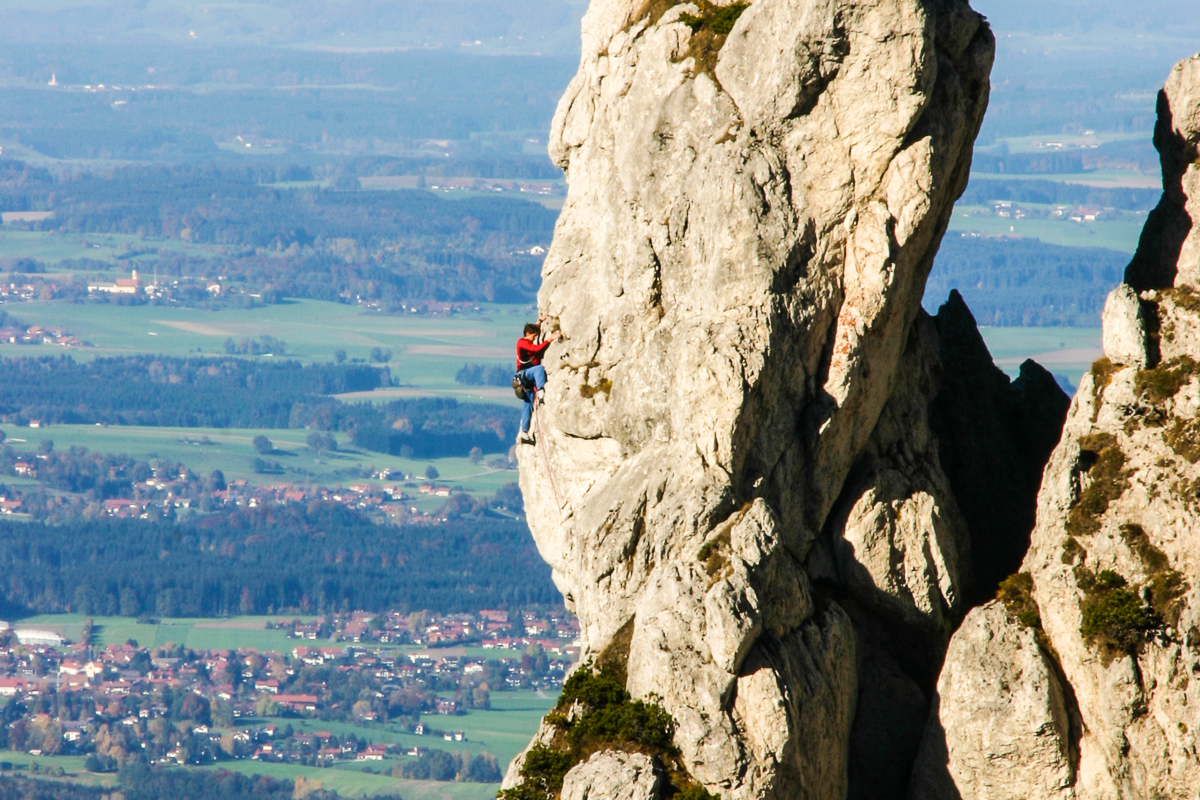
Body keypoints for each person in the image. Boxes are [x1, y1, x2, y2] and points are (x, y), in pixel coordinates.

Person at [515, 315, 561, 443]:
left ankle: (524, 432)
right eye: (534, 336)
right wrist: (550, 338)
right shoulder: (522, 342)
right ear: (527, 334)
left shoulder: (527, 339)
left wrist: (539, 322)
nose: (535, 338)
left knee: (528, 404)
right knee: (539, 368)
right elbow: (536, 349)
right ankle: (541, 391)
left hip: (527, 378)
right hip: (524, 374)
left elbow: (534, 332)